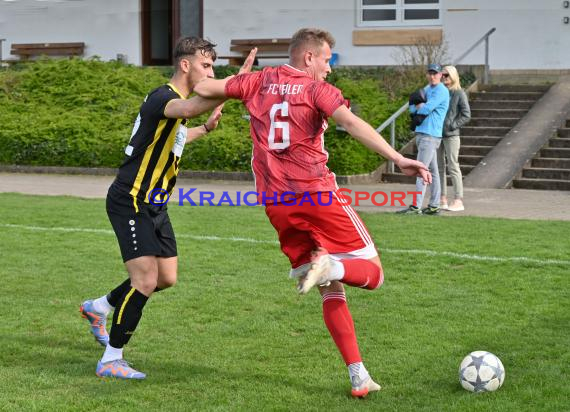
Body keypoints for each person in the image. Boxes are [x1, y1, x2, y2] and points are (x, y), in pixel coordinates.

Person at [194, 28, 431, 397]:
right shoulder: (317, 90)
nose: (329, 69)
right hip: (315, 194)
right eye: (326, 60)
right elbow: (350, 123)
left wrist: (225, 78)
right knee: (373, 273)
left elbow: (203, 91)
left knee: (329, 289)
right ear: (309, 58)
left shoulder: (258, 81)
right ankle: (333, 264)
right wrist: (398, 158)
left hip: (276, 203)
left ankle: (358, 375)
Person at [79, 37, 256, 379]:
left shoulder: (175, 106)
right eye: (206, 66)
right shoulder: (166, 97)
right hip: (131, 199)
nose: (211, 72)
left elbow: (177, 136)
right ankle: (111, 359)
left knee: (166, 278)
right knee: (144, 280)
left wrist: (205, 129)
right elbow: (189, 110)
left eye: (213, 67)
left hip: (156, 205)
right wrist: (235, 86)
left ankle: (99, 307)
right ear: (185, 65)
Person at [397, 63, 449, 215]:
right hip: (422, 133)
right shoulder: (427, 89)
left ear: (441, 75)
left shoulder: (441, 91)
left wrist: (420, 105)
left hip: (430, 135)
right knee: (432, 171)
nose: (433, 76)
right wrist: (419, 105)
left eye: (436, 73)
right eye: (430, 73)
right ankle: (434, 206)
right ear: (427, 74)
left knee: (420, 170)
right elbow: (412, 108)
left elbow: (426, 108)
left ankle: (416, 207)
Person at [438, 65, 471, 211]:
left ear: (453, 76)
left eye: (447, 75)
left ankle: (458, 200)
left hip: (451, 135)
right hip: (437, 134)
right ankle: (442, 198)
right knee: (439, 168)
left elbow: (466, 114)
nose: (444, 77)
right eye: (442, 75)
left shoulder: (459, 93)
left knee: (453, 166)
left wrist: (452, 125)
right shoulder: (439, 92)